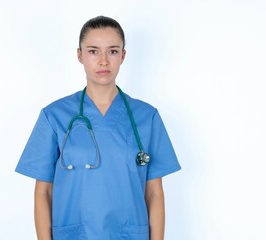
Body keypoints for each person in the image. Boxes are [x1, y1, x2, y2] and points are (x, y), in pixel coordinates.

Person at [15, 15, 181, 240]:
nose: (103, 61)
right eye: (93, 51)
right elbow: (43, 192)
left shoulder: (146, 117)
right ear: (80, 55)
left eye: (112, 51)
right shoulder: (54, 116)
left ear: (123, 56)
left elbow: (154, 192)